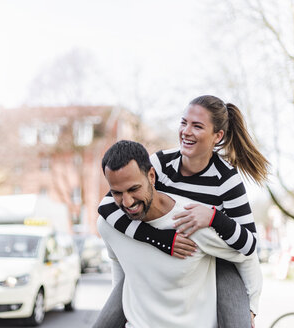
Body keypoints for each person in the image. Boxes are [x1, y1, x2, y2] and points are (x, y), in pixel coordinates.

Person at [95, 95, 269, 327]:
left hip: (216, 258)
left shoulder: (226, 179)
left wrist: (214, 217)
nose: (186, 131)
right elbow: (107, 206)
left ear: (218, 136)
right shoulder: (161, 164)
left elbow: (248, 245)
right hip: (160, 249)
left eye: (197, 126)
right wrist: (159, 238)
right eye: (184, 122)